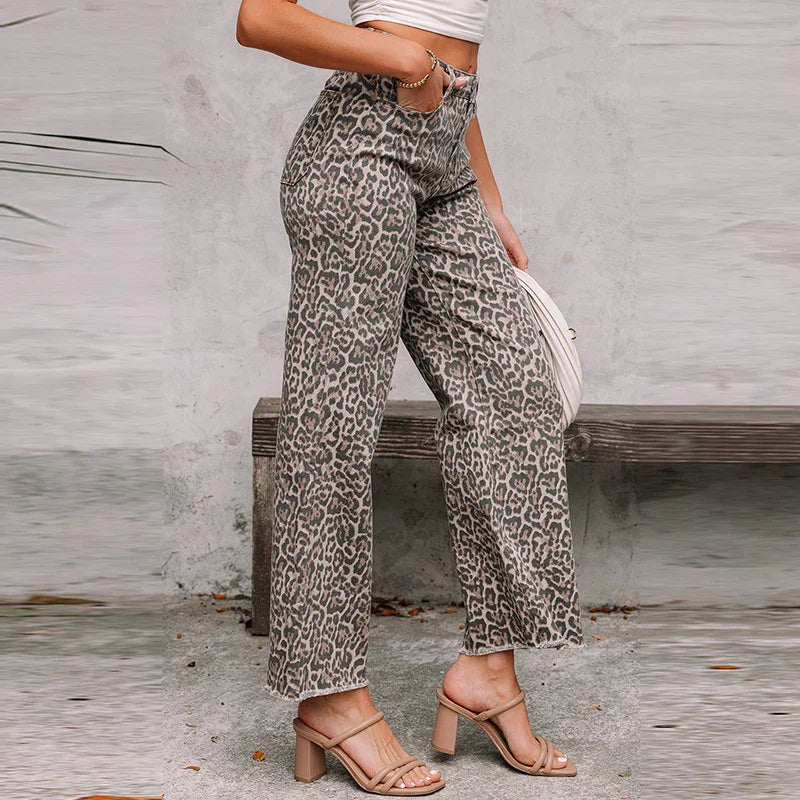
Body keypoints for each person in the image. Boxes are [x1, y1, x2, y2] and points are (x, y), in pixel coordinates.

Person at [235, 1, 584, 793]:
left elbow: (456, 51)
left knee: (515, 393)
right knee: (334, 427)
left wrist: (487, 195)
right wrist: (406, 63)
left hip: (447, 149)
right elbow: (258, 16)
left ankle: (489, 672)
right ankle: (330, 696)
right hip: (359, 151)